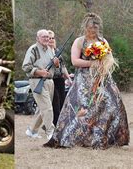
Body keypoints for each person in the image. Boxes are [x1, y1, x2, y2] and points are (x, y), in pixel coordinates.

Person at [44, 13, 129, 149]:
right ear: (85, 28)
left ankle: (108, 137)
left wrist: (104, 64)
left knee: (112, 103)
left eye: (95, 29)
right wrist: (92, 63)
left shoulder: (103, 41)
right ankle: (80, 138)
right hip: (84, 79)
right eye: (90, 29)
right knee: (82, 107)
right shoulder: (79, 41)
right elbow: (75, 61)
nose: (93, 31)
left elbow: (109, 57)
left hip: (102, 78)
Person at [22, 29, 57, 139]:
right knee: (47, 108)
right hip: (37, 81)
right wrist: (38, 72)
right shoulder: (33, 49)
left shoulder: (50, 50)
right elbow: (26, 66)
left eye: (48, 37)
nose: (47, 39)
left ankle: (32, 131)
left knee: (43, 108)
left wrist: (57, 64)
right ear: (38, 38)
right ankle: (51, 132)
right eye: (43, 37)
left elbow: (54, 66)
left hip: (49, 81)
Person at [47, 30, 71, 126]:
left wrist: (68, 78)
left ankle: (60, 125)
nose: (51, 40)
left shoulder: (57, 51)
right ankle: (54, 125)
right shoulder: (45, 53)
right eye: (49, 38)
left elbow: (63, 67)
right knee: (55, 104)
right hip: (51, 80)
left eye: (53, 38)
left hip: (60, 80)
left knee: (62, 103)